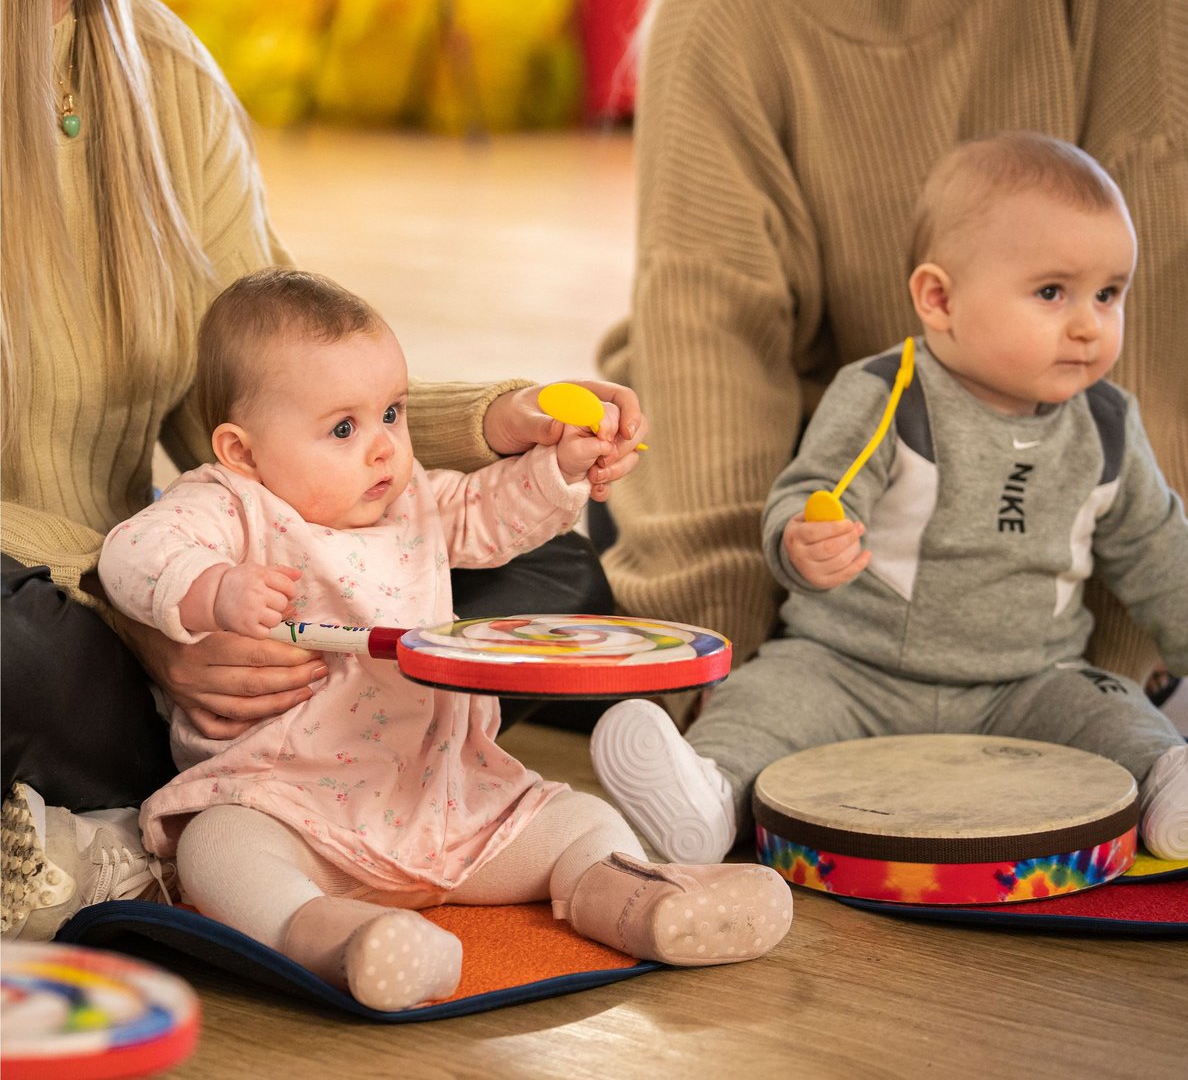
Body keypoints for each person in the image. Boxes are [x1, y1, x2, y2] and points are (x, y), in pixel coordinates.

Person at [0, 0, 645, 938]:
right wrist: (149, 621)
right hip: (57, 601)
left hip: (183, 586)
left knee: (557, 553)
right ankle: (262, 791)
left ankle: (240, 795)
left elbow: (272, 383)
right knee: (25, 661)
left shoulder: (162, 65)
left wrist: (504, 425)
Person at [91, 268, 791, 1010]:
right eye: (343, 429)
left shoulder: (412, 497)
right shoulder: (228, 505)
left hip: (445, 800)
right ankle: (334, 939)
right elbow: (131, 553)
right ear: (242, 451)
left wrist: (560, 467)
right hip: (287, 803)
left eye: (392, 413)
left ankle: (636, 900)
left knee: (580, 817)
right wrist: (211, 588)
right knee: (218, 850)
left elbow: (492, 512)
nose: (384, 449)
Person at [593, 0, 1188, 724]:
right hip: (829, 535)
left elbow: (1153, 356)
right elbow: (710, 355)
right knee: (498, 571)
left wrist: (1109, 692)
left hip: (1053, 601)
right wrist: (722, 689)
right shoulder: (722, 13)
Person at [591, 132, 1188, 867]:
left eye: (1109, 294)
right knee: (764, 699)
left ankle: (1172, 787)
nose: (1087, 324)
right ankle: (705, 796)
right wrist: (801, 543)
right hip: (850, 667)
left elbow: (1163, 557)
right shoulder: (888, 393)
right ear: (939, 299)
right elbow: (811, 495)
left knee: (1117, 716)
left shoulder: (1106, 425)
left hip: (1029, 681)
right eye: (1052, 293)